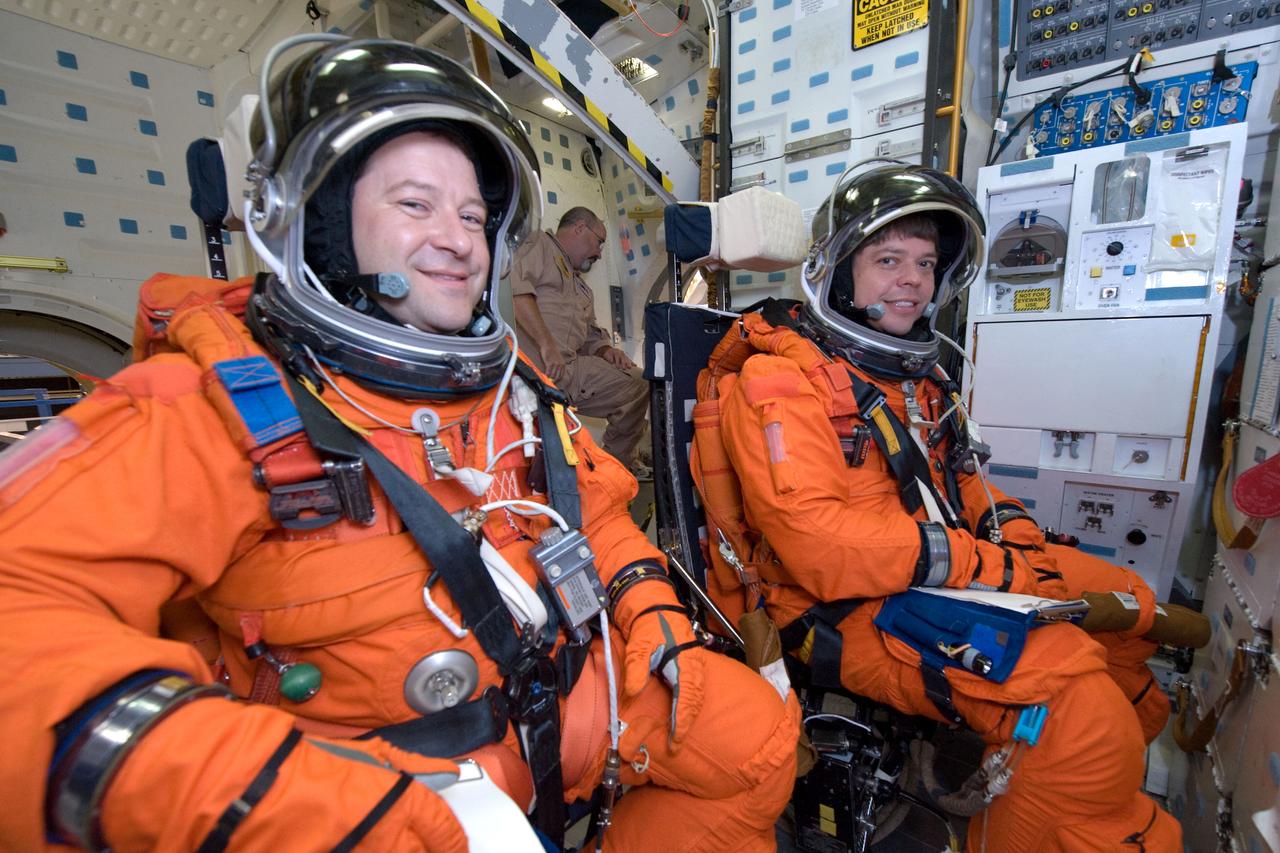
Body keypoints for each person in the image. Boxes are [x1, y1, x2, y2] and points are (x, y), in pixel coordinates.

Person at [0, 37, 798, 852]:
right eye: (415, 205)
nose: (457, 239)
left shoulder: (513, 392)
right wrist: (291, 807)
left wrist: (656, 617)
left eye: (473, 216)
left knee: (760, 741)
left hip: (579, 706)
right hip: (380, 782)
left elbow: (603, 519)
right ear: (322, 224)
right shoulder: (205, 403)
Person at [696, 163, 1200, 851]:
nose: (912, 279)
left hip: (933, 571)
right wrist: (990, 566)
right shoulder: (778, 380)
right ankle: (1073, 774)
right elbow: (819, 546)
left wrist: (1016, 544)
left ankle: (1070, 787)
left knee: (1129, 598)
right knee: (1079, 712)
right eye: (888, 260)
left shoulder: (913, 376)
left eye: (926, 263)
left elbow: (966, 484)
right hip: (839, 604)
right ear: (840, 271)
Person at [511, 207, 650, 473]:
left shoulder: (581, 286)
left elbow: (588, 335)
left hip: (568, 370)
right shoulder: (538, 244)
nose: (599, 253)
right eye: (599, 242)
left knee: (638, 384)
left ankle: (617, 469)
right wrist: (546, 345)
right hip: (533, 367)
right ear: (579, 228)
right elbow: (517, 293)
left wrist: (606, 350)